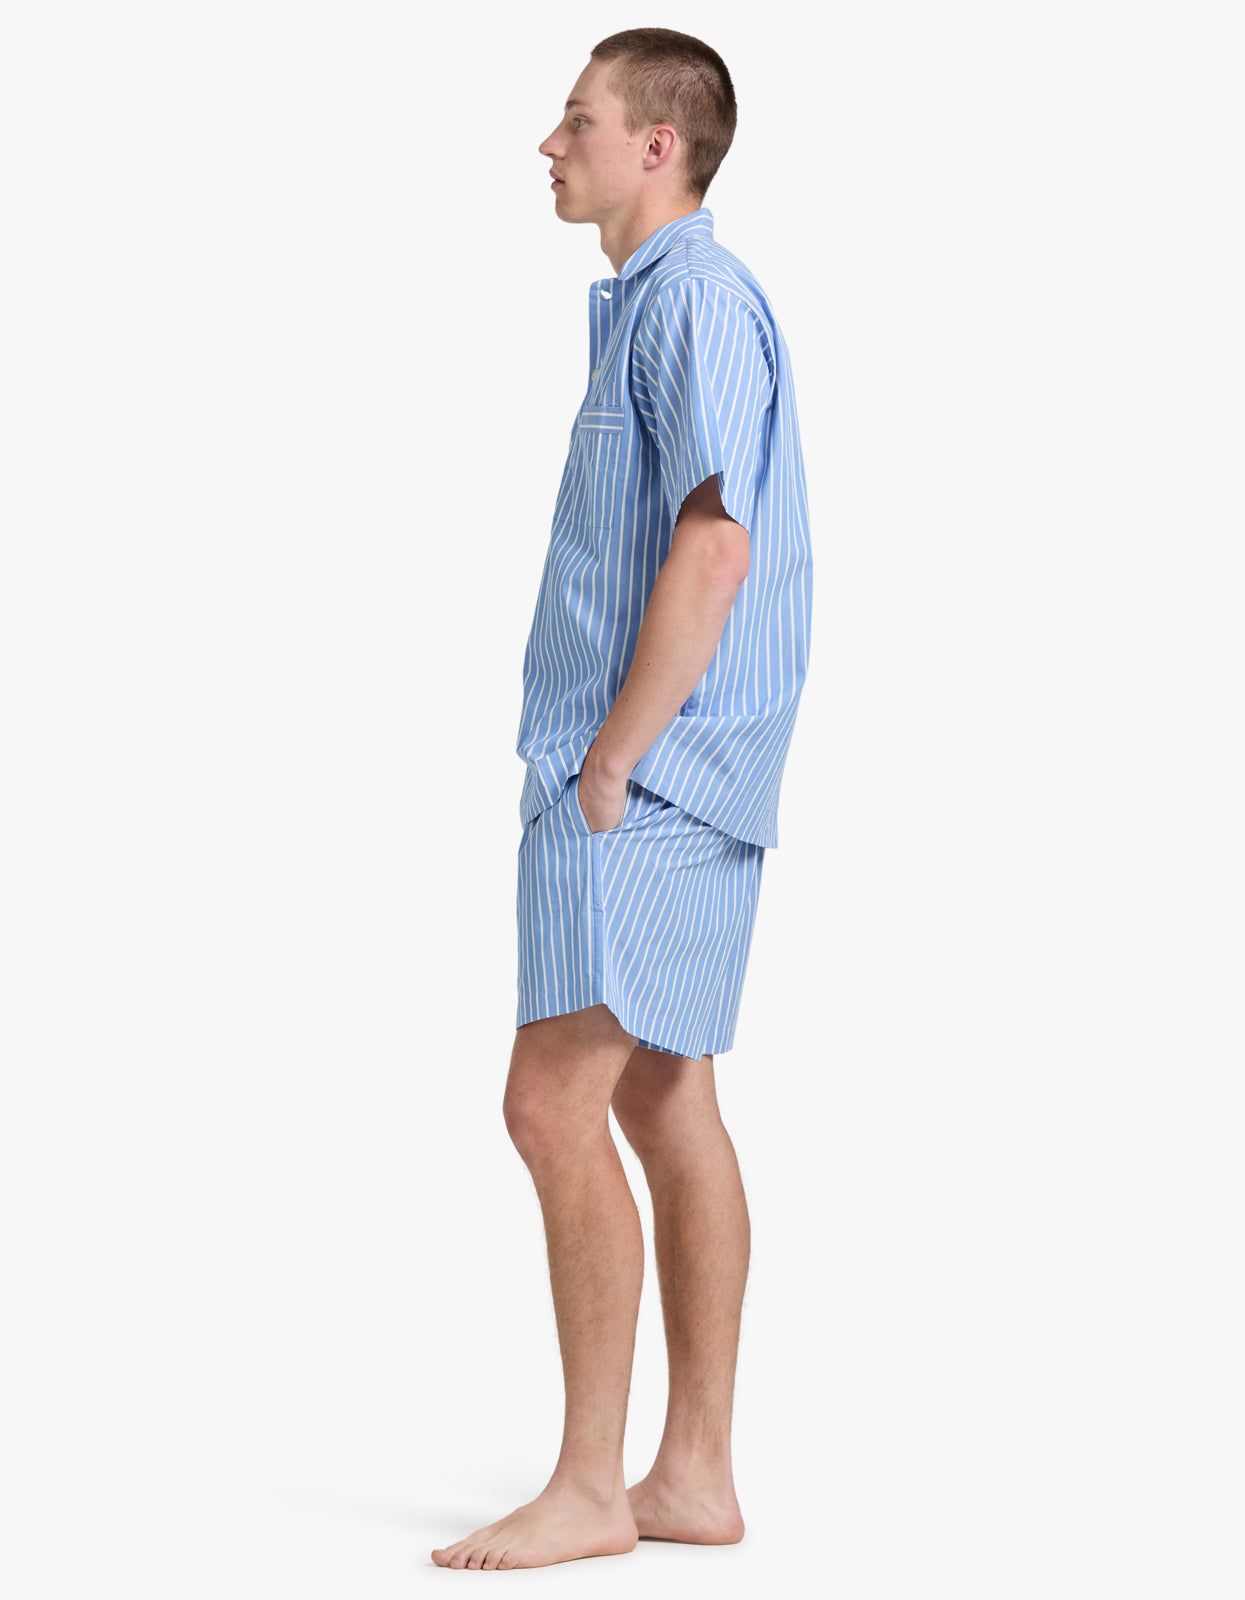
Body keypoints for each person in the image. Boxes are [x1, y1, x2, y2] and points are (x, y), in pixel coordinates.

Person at [432, 27, 813, 1572]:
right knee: (663, 1098)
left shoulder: (695, 301)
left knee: (550, 1103)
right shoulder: (659, 306)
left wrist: (608, 761)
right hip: (675, 775)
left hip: (644, 781)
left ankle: (590, 1486)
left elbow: (713, 551)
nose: (550, 142)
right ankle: (692, 1477)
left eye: (576, 118)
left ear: (659, 144)